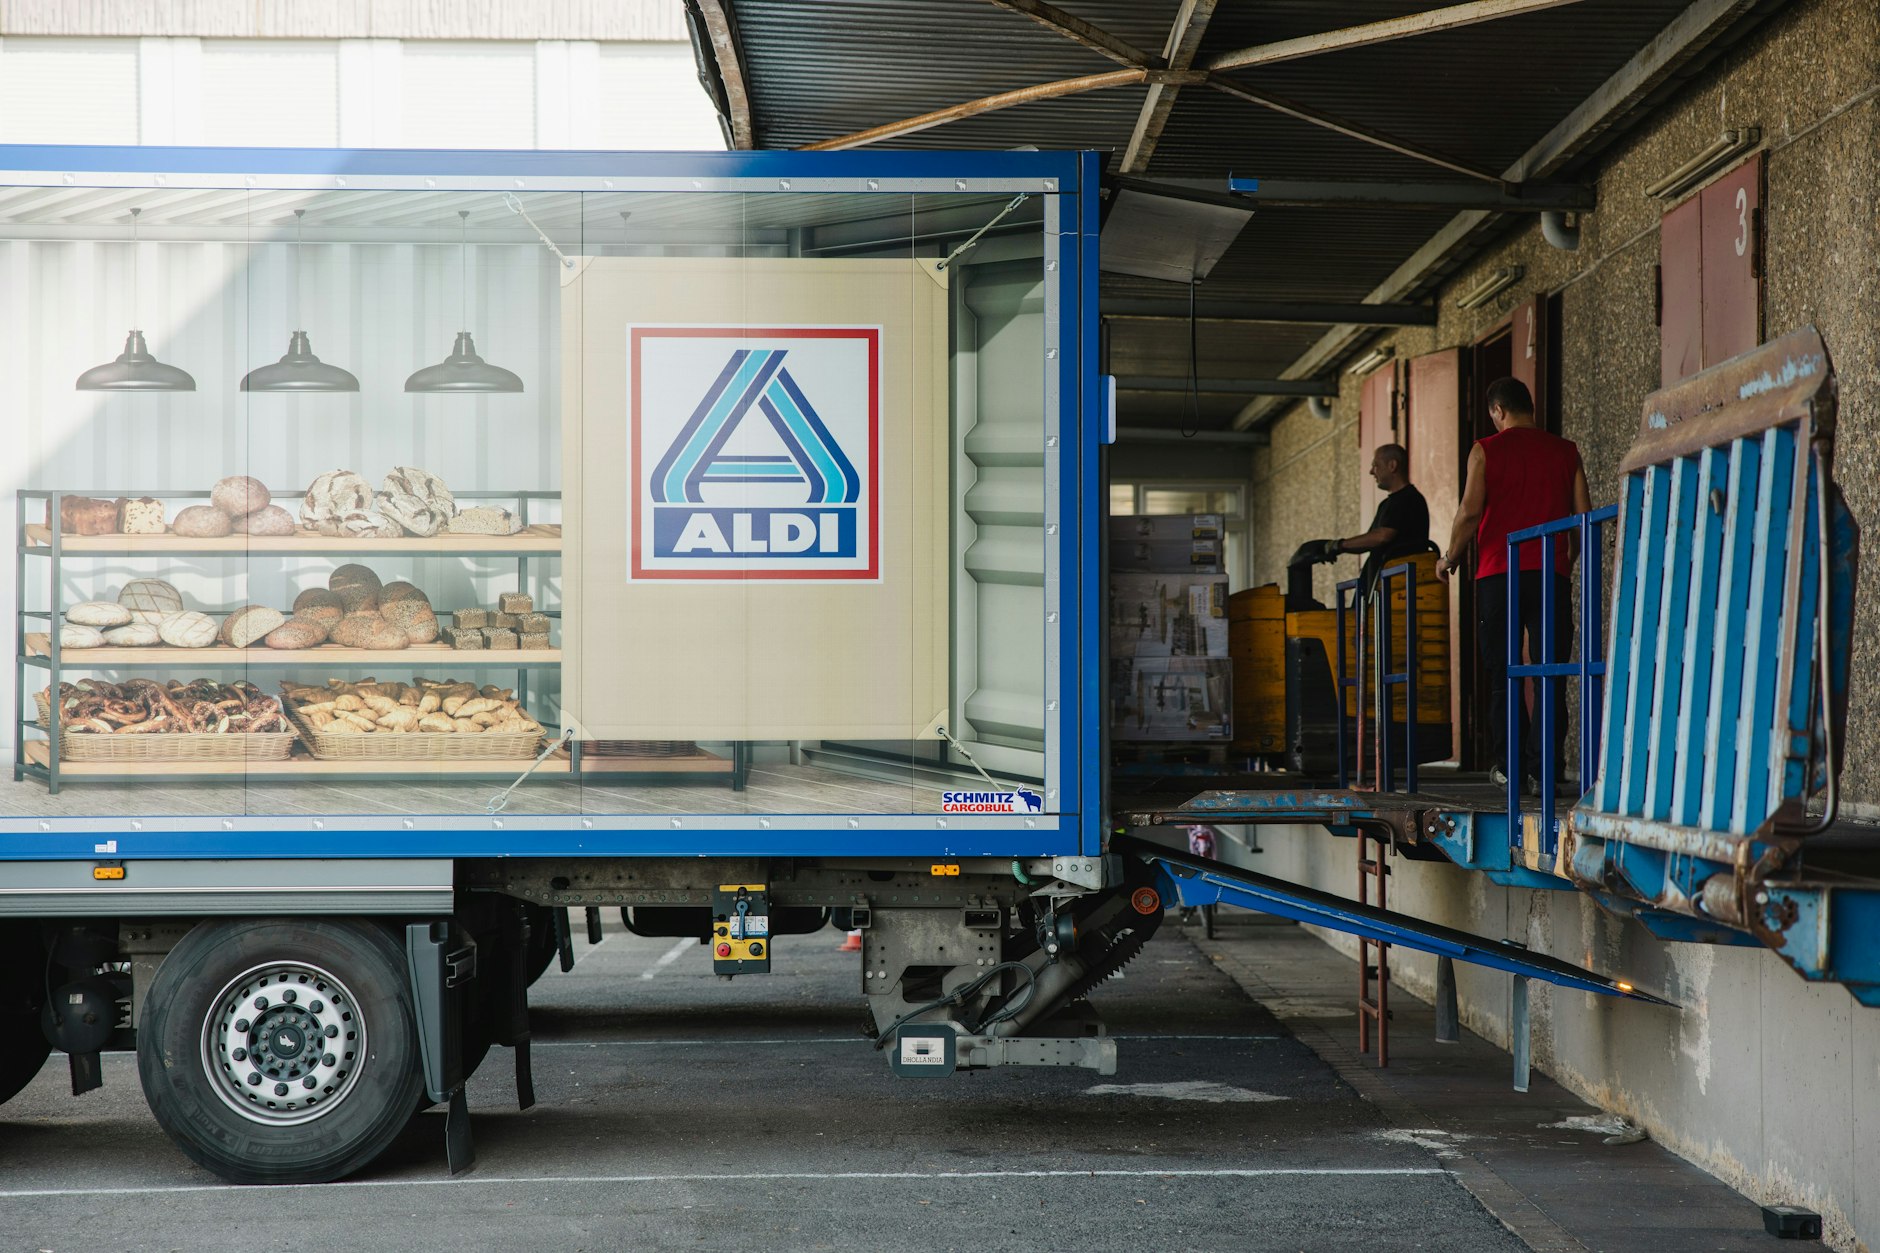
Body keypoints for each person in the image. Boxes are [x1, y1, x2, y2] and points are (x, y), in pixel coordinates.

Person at [1435, 378, 1591, 792]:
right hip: (1550, 575)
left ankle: (1511, 768)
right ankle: (1547, 771)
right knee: (1550, 672)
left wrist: (1448, 558)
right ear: (1529, 408)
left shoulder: (1485, 450)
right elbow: (1583, 518)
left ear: (1498, 411)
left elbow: (1470, 513)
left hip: (1498, 574)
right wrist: (1565, 562)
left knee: (1503, 673)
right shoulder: (1566, 451)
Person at [1298, 443, 1431, 595]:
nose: (1371, 472)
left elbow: (1382, 537)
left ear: (1392, 465)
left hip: (1397, 590)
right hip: (1383, 588)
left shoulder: (1408, 499)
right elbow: (1369, 542)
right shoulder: (1387, 504)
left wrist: (1339, 545)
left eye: (1375, 465)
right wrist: (1336, 548)